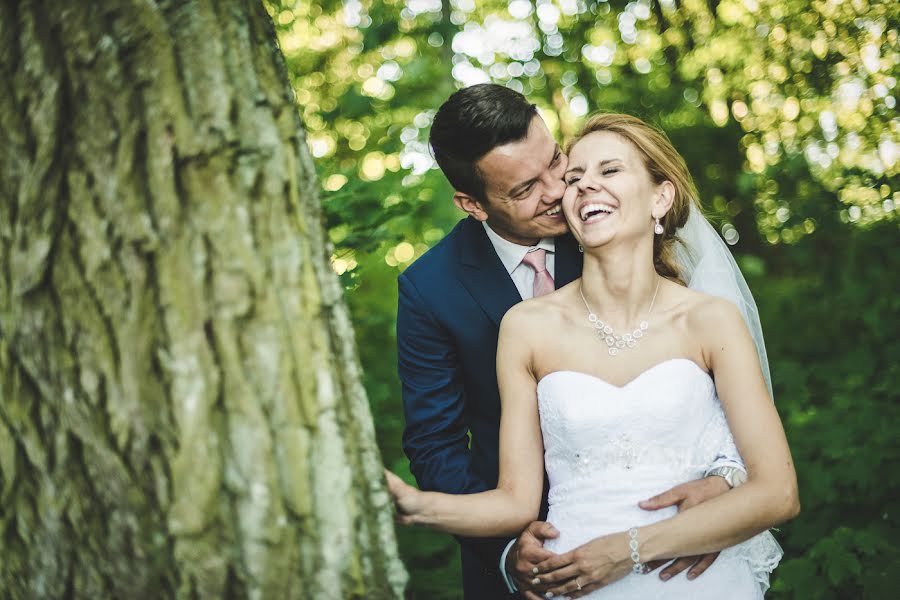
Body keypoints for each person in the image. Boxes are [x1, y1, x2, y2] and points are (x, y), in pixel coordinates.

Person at [389, 111, 798, 599]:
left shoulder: (708, 318)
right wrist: (416, 506)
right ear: (472, 204)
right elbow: (469, 465)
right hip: (567, 570)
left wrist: (723, 486)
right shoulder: (496, 316)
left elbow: (768, 476)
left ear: (661, 197)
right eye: (573, 178)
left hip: (695, 569)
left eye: (560, 167)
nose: (567, 189)